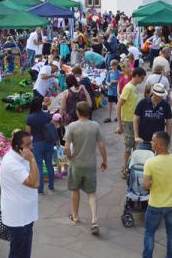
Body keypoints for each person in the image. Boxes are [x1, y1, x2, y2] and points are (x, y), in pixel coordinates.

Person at [142, 131, 172, 258]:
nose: (151, 142)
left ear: (159, 145)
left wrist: (153, 184)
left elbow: (146, 186)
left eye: (153, 141)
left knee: (149, 233)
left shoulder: (150, 163)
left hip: (154, 205)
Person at [64, 102, 107, 235]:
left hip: (76, 164)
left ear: (78, 112)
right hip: (90, 164)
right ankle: (94, 220)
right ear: (88, 112)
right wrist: (104, 160)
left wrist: (70, 157)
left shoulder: (72, 126)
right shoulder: (95, 126)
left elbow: (66, 147)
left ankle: (76, 216)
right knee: (91, 193)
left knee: (75, 190)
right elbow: (101, 145)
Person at [0, 130, 39, 258]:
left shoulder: (22, 156)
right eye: (28, 144)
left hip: (26, 214)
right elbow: (35, 183)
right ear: (18, 146)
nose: (31, 147)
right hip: (18, 217)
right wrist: (32, 159)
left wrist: (30, 159)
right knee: (18, 251)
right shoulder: (12, 163)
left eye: (31, 143)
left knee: (25, 249)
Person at [116, 67, 146, 179]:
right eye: (142, 78)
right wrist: (119, 124)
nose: (143, 80)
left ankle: (130, 168)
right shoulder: (128, 88)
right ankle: (126, 169)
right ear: (137, 76)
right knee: (129, 148)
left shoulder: (134, 87)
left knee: (135, 146)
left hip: (134, 121)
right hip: (128, 121)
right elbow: (119, 105)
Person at [26, 97, 55, 194]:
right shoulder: (47, 115)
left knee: (39, 166)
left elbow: (28, 133)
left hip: (37, 144)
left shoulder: (30, 118)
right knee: (49, 164)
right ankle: (51, 185)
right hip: (49, 143)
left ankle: (40, 189)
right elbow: (51, 128)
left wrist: (27, 146)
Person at [134, 83, 172, 150]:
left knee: (158, 160)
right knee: (142, 159)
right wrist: (136, 136)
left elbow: (169, 122)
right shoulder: (143, 103)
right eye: (159, 95)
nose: (161, 97)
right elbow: (136, 119)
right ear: (154, 94)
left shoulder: (165, 105)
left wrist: (167, 139)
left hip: (159, 142)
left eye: (162, 95)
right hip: (143, 141)